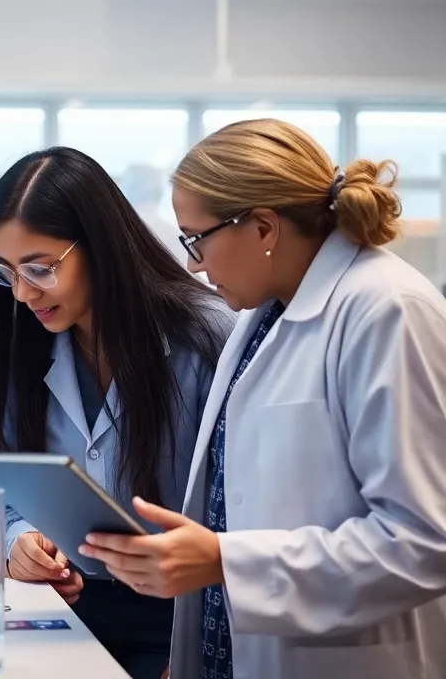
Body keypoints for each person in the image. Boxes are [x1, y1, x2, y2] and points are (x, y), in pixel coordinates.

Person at [80, 118, 446, 679]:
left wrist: (225, 561)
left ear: (263, 227)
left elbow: (422, 541)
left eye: (196, 240)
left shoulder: (388, 311)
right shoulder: (264, 315)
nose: (193, 264)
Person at [0, 147, 233, 679]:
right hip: (68, 609)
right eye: (7, 272)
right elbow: (7, 492)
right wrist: (20, 543)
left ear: (99, 247)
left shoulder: (206, 336)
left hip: (186, 614)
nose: (21, 293)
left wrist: (203, 653)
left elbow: (244, 509)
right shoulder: (26, 341)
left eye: (40, 269)